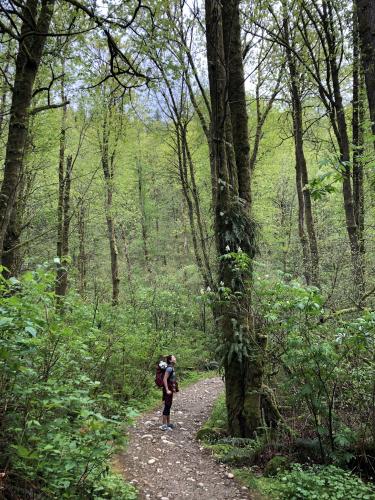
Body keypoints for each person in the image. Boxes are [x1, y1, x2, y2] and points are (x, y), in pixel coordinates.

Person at [160, 354, 178, 431]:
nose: (175, 358)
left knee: (169, 405)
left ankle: (168, 423)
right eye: (174, 357)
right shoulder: (169, 369)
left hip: (170, 389)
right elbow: (164, 379)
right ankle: (164, 425)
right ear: (170, 360)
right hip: (167, 390)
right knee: (167, 405)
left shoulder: (171, 368)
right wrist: (167, 389)